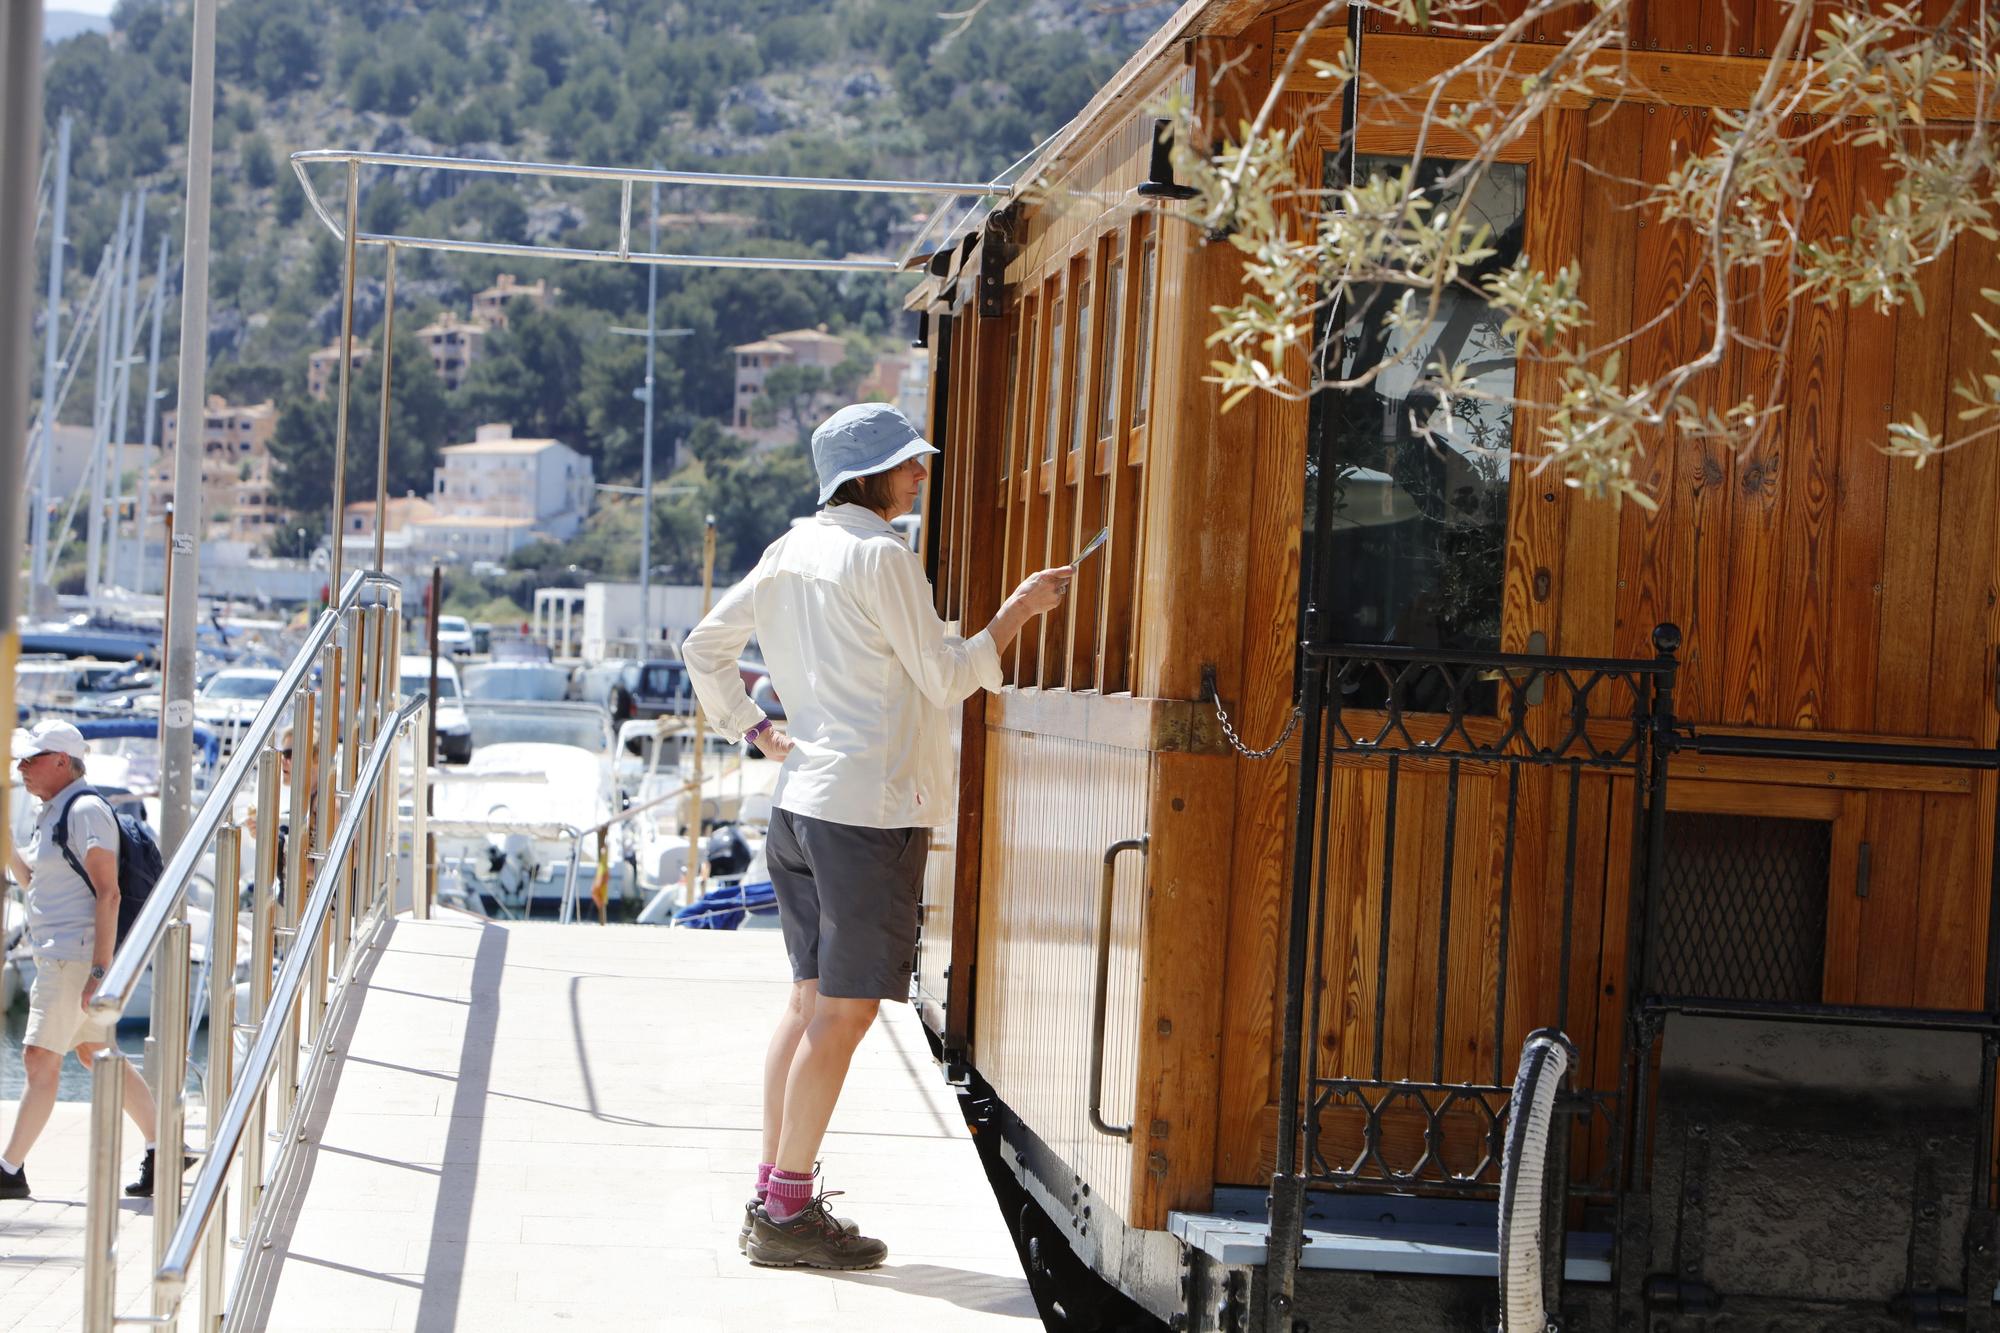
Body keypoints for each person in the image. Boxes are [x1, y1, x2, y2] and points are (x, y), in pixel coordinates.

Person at [684, 402, 1072, 1270]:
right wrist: (1015, 612)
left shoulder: (789, 550)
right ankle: (784, 1213)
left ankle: (774, 1196)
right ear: (868, 476)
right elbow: (942, 680)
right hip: (867, 814)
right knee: (845, 1014)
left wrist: (754, 727)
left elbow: (703, 646)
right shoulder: (882, 556)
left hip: (800, 805)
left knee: (806, 1004)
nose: (920, 475)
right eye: (907, 464)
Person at [0, 720, 172, 1200]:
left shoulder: (86, 810)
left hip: (73, 958)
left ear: (61, 761)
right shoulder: (56, 812)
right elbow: (39, 881)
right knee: (96, 1054)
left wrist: (100, 970)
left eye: (31, 759)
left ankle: (8, 1170)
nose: (21, 768)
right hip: (65, 954)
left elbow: (108, 892)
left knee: (39, 1058)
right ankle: (165, 1147)